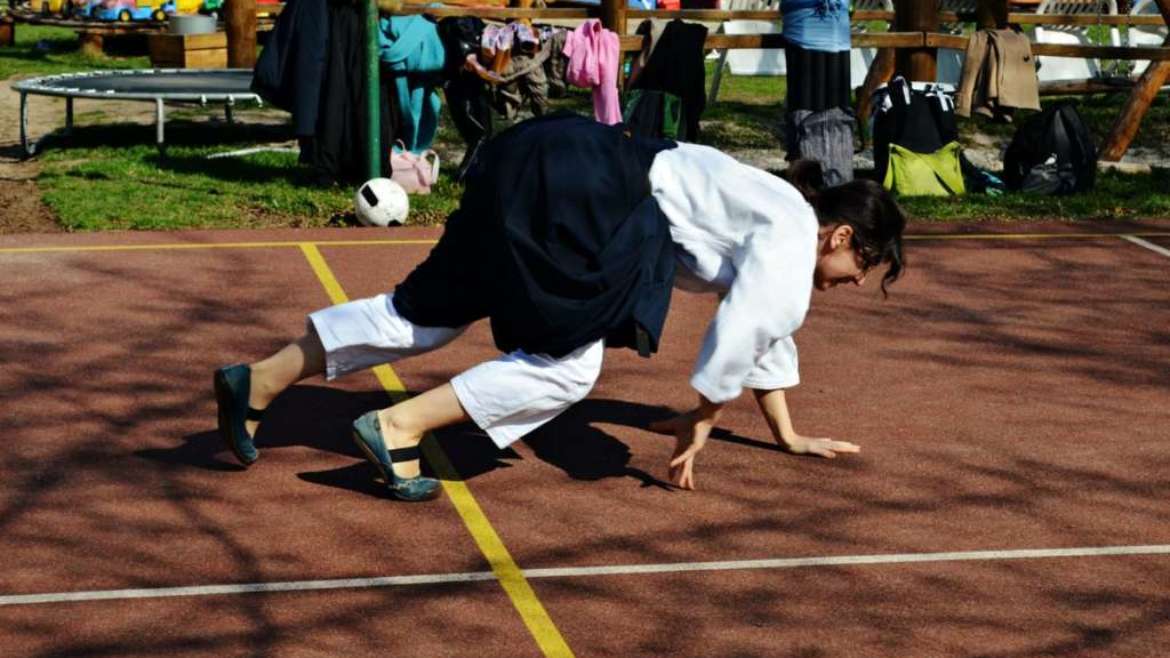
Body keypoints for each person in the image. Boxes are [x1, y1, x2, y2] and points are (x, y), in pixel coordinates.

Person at [214, 114, 905, 501]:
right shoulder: (791, 235)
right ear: (840, 235)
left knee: (427, 310)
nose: (848, 283)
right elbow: (751, 324)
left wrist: (785, 433)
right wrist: (703, 416)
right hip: (592, 193)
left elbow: (763, 336)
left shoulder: (772, 208)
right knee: (567, 369)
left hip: (542, 150)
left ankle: (262, 378)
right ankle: (397, 427)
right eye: (859, 268)